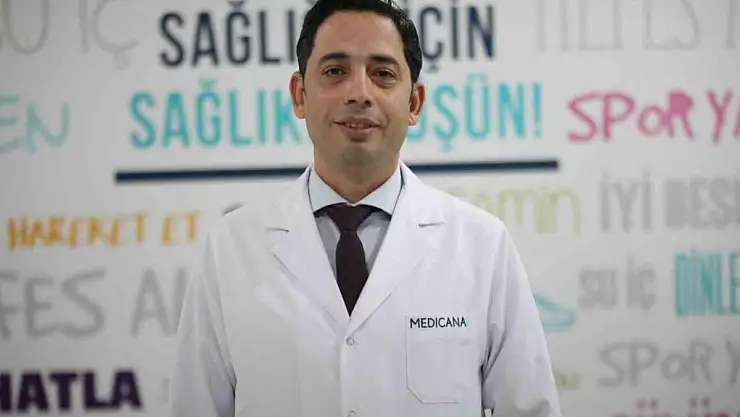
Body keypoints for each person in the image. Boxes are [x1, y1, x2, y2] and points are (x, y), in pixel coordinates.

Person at [168, 0, 562, 416]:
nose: (359, 93)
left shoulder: (482, 246)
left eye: (383, 74)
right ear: (300, 95)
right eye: (335, 71)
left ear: (414, 102)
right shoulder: (231, 248)